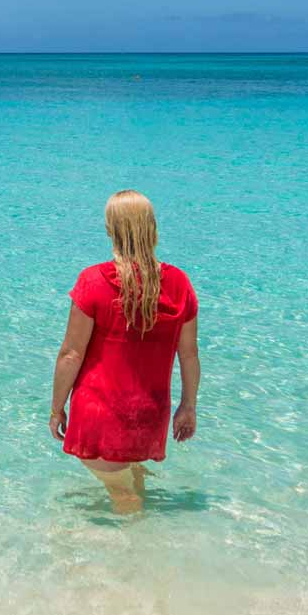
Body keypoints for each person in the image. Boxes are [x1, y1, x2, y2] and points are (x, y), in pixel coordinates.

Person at [49, 190, 199, 513]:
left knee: (125, 499)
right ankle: (147, 550)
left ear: (110, 231)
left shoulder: (93, 281)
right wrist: (188, 407)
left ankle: (137, 560)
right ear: (152, 229)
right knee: (132, 483)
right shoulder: (179, 283)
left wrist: (56, 408)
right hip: (149, 416)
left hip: (101, 414)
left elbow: (71, 355)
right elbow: (189, 355)